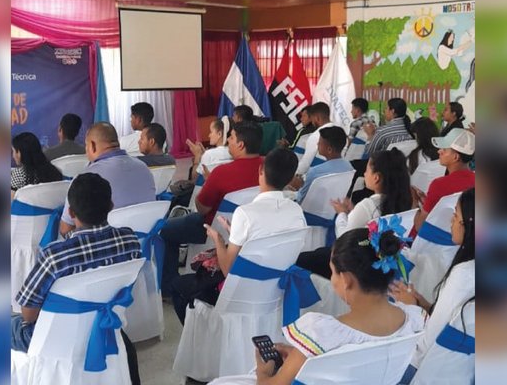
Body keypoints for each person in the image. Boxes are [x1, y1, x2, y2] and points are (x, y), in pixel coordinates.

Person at [211, 228, 424, 385]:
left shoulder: (320, 330)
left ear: (347, 280)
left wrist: (262, 372)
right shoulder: (414, 317)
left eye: (332, 272)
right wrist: (301, 355)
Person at [12, 173, 142, 384]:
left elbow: (28, 313)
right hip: (104, 328)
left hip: (56, 341)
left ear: (71, 212)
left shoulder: (55, 255)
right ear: (111, 205)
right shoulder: (131, 240)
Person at [170, 149, 307, 324]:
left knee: (179, 285)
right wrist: (234, 232)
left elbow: (227, 268)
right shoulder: (296, 211)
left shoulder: (245, 213)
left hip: (241, 293)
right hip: (276, 290)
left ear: (260, 171)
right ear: (289, 180)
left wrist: (218, 239)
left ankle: (207, 340)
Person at [160, 121, 264, 296]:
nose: (228, 141)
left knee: (164, 229)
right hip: (255, 229)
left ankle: (170, 286)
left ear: (240, 144)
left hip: (214, 229)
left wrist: (209, 182)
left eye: (231, 137)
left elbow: (201, 209)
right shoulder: (267, 168)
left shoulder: (222, 172)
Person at [389, 188, 474, 383]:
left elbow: (430, 340)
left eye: (455, 216)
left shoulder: (465, 275)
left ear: (468, 224)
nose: (451, 222)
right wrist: (425, 305)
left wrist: (411, 308)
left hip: (432, 370)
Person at [297, 149, 413, 278]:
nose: (364, 173)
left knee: (301, 260)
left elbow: (345, 238)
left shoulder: (368, 205)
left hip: (357, 262)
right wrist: (353, 212)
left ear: (376, 177)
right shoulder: (405, 202)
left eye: (367, 170)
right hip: (382, 261)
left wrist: (341, 214)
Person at [59, 123, 155, 236]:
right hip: (143, 245)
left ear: (92, 146)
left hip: (107, 247)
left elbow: (66, 229)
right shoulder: (144, 168)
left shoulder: (85, 179)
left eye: (86, 146)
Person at [412, 128, 475, 233]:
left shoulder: (439, 185)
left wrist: (414, 205)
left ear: (455, 157)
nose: (439, 151)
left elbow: (420, 227)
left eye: (444, 149)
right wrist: (428, 200)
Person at [292, 126, 353, 204]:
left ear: (329, 150)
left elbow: (300, 198)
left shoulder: (315, 172)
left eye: (320, 142)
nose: (317, 144)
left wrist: (298, 186)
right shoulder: (349, 168)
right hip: (334, 210)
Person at [295, 102, 338, 177]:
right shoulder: (339, 132)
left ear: (317, 118)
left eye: (312, 118)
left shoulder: (316, 136)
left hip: (316, 179)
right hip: (335, 177)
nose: (312, 122)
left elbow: (304, 166)